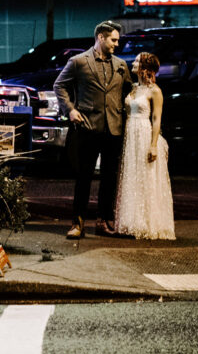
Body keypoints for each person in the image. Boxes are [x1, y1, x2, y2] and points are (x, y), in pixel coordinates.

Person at [54, 20, 133, 238]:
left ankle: (104, 221)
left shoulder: (120, 65)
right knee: (84, 176)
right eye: (113, 40)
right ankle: (78, 222)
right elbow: (59, 85)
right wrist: (69, 109)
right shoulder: (79, 62)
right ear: (101, 37)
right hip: (88, 127)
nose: (117, 44)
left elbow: (129, 91)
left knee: (110, 177)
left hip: (114, 128)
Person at [114, 52, 175, 239]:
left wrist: (154, 144)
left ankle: (148, 222)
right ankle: (132, 221)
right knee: (133, 176)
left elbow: (156, 119)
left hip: (143, 132)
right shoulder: (133, 88)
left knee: (145, 177)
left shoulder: (154, 91)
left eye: (137, 61)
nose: (133, 62)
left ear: (145, 68)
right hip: (130, 134)